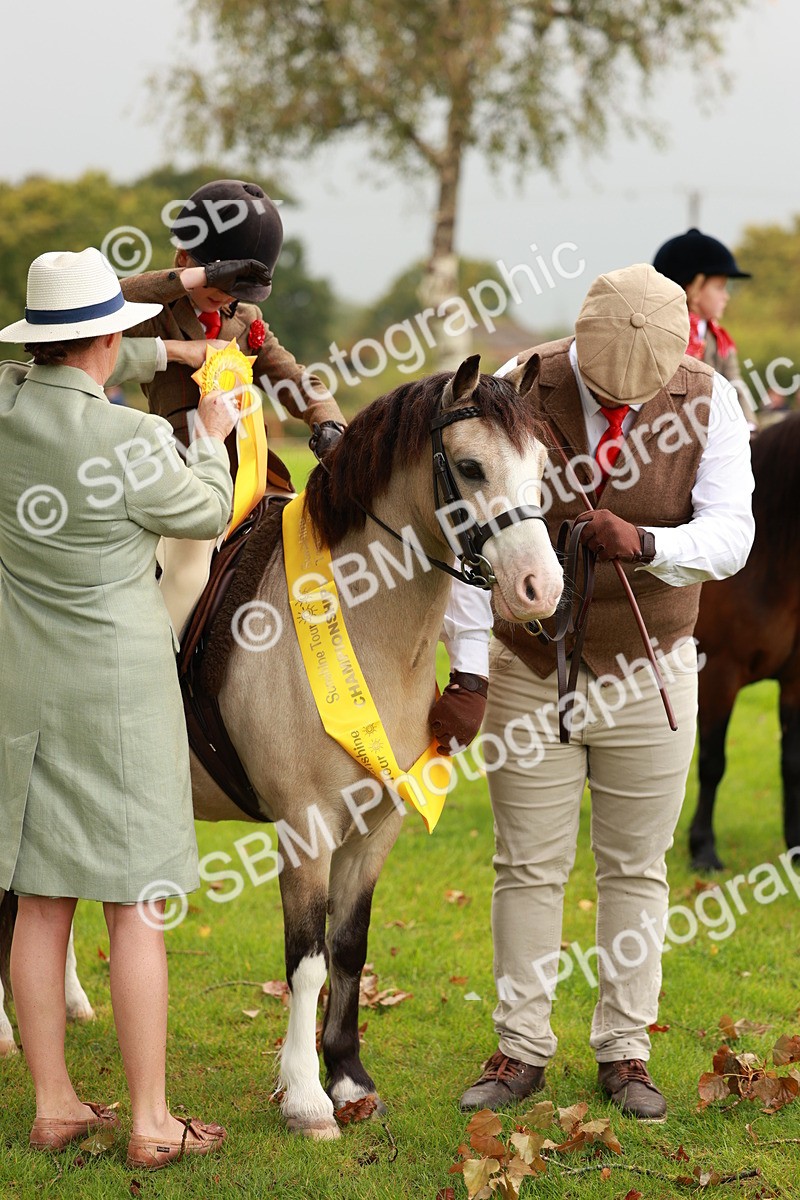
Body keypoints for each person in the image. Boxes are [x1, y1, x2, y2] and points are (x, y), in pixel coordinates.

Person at [454, 263, 754, 1120]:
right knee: (527, 867)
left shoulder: (711, 398)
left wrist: (650, 544)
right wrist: (470, 664)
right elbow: (472, 531)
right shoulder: (518, 385)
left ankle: (625, 1050)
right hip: (529, 666)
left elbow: (732, 534)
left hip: (654, 665)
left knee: (636, 867)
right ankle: (519, 1049)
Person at [0, 248, 236, 1169]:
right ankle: (149, 1121)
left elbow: (44, 371)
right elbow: (209, 511)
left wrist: (156, 356)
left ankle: (54, 1103)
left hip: (23, 689)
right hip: (120, 697)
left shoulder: (8, 414)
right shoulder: (135, 446)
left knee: (42, 901)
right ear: (110, 333)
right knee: (134, 906)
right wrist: (209, 425)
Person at [119, 178, 348, 636]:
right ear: (185, 262)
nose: (227, 299)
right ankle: (156, 667)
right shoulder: (150, 314)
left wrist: (329, 421)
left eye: (237, 292)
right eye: (218, 287)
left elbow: (293, 377)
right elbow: (114, 296)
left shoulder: (245, 320)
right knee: (189, 574)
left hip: (249, 477)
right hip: (181, 474)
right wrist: (192, 282)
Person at [653, 227, 756, 423]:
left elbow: (734, 383)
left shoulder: (718, 338)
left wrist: (749, 424)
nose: (726, 296)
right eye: (719, 287)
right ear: (695, 289)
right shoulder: (662, 333)